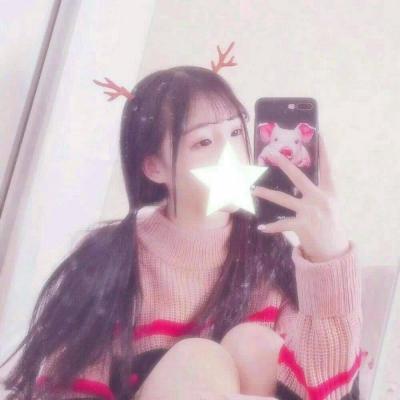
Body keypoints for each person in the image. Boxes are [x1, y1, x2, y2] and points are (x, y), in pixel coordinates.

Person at [1, 66, 362, 400]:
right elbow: (66, 389)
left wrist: (328, 254)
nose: (231, 154)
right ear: (154, 167)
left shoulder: (268, 254)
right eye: (203, 142)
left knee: (255, 343)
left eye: (236, 132)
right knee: (199, 360)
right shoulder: (111, 260)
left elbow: (326, 389)